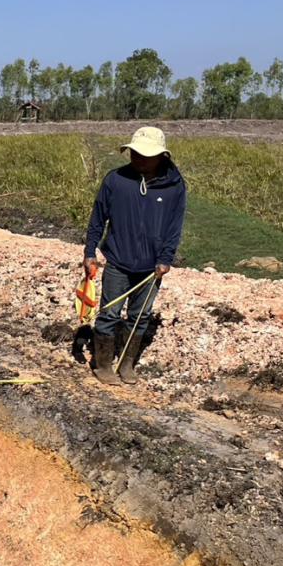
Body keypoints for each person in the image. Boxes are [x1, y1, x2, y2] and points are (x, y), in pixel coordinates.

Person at [82, 126, 186, 386]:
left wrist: (166, 258)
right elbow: (98, 218)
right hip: (118, 261)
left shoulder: (174, 187)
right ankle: (103, 364)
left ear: (162, 156)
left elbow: (175, 226)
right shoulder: (115, 181)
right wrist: (89, 251)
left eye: (145, 155)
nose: (138, 159)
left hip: (151, 268)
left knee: (140, 316)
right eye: (135, 153)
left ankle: (127, 364)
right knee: (109, 314)